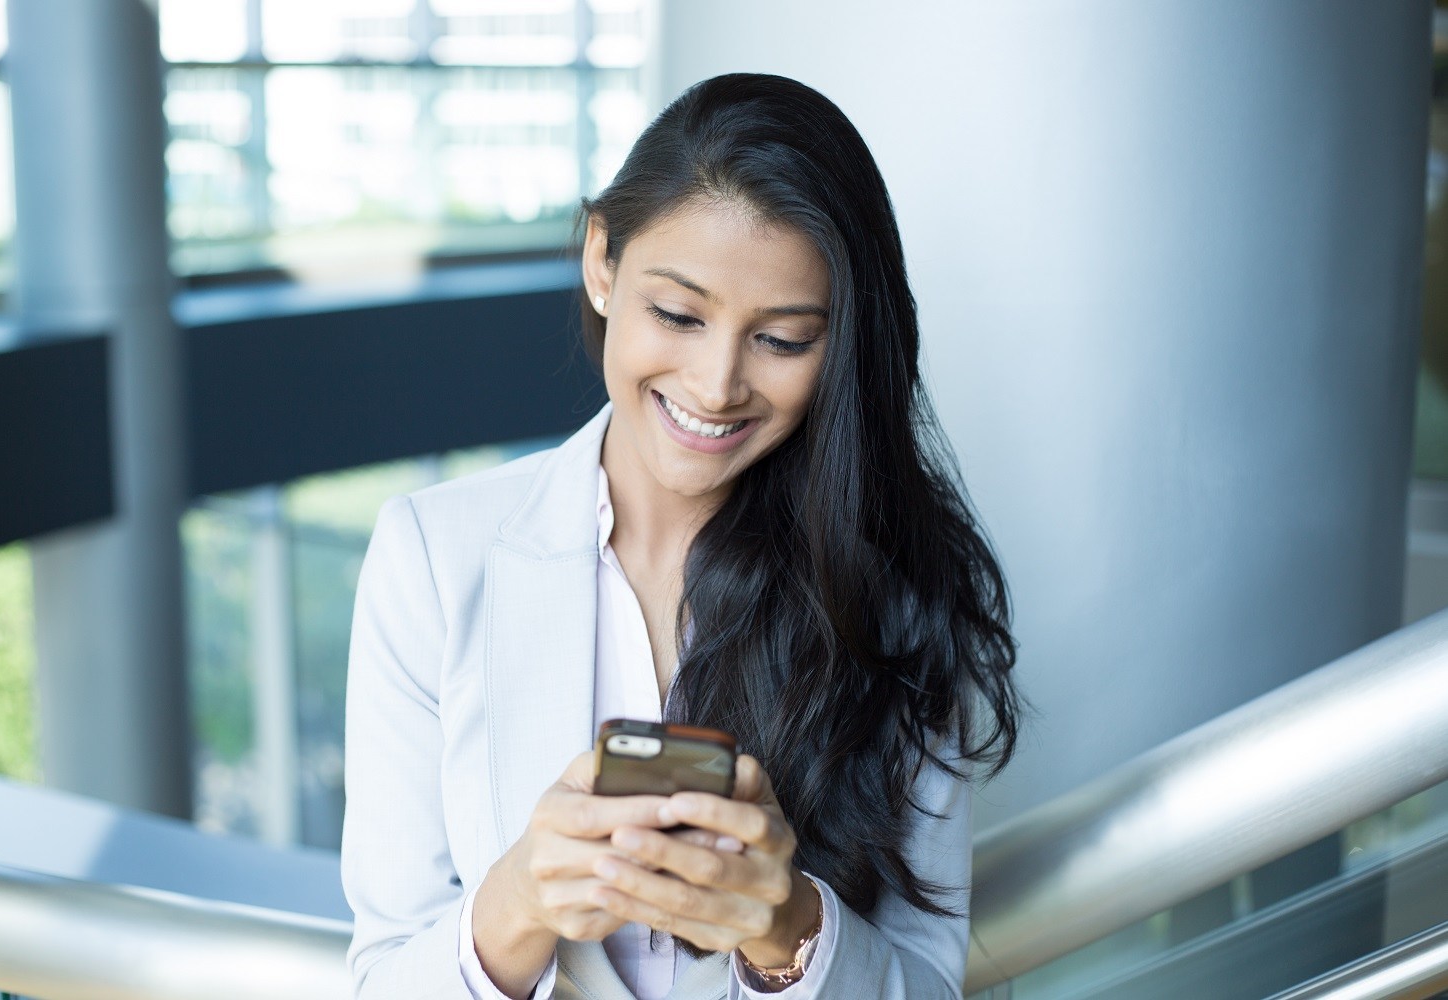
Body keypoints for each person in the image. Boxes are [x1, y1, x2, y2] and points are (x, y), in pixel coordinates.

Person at [340, 72, 1021, 1000]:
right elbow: (382, 978)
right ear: (602, 263)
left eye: (781, 340)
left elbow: (929, 987)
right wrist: (522, 898)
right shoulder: (432, 556)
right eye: (678, 315)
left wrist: (787, 924)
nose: (714, 385)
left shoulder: (895, 595)